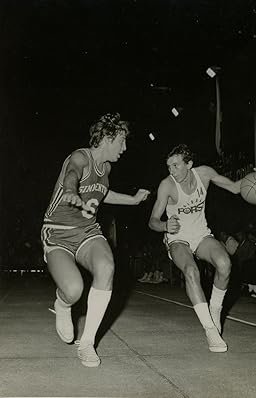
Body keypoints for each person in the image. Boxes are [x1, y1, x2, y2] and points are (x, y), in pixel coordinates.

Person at [41, 113, 149, 367]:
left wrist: (132, 200)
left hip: (88, 231)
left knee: (107, 267)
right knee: (74, 290)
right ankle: (62, 303)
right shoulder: (81, 156)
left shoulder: (107, 168)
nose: (125, 148)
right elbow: (72, 173)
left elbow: (103, 193)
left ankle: (87, 343)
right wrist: (69, 189)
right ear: (109, 137)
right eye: (122, 141)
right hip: (58, 232)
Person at [148, 144, 256, 353]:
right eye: (169, 166)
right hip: (177, 238)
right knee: (191, 271)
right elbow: (152, 221)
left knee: (224, 264)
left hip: (201, 235)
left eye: (176, 165)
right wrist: (163, 225)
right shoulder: (166, 186)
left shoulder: (204, 174)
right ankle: (210, 330)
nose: (172, 170)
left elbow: (234, 187)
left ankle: (215, 312)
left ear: (189, 164)